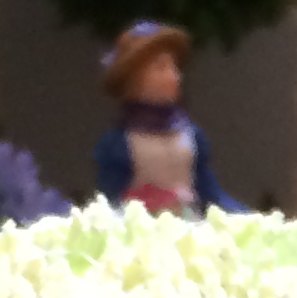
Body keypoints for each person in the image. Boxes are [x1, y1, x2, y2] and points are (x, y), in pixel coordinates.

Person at [93, 21, 242, 216]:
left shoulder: (191, 135)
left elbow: (210, 193)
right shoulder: (118, 143)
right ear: (134, 79)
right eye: (161, 68)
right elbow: (110, 204)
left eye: (175, 67)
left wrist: (243, 216)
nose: (174, 77)